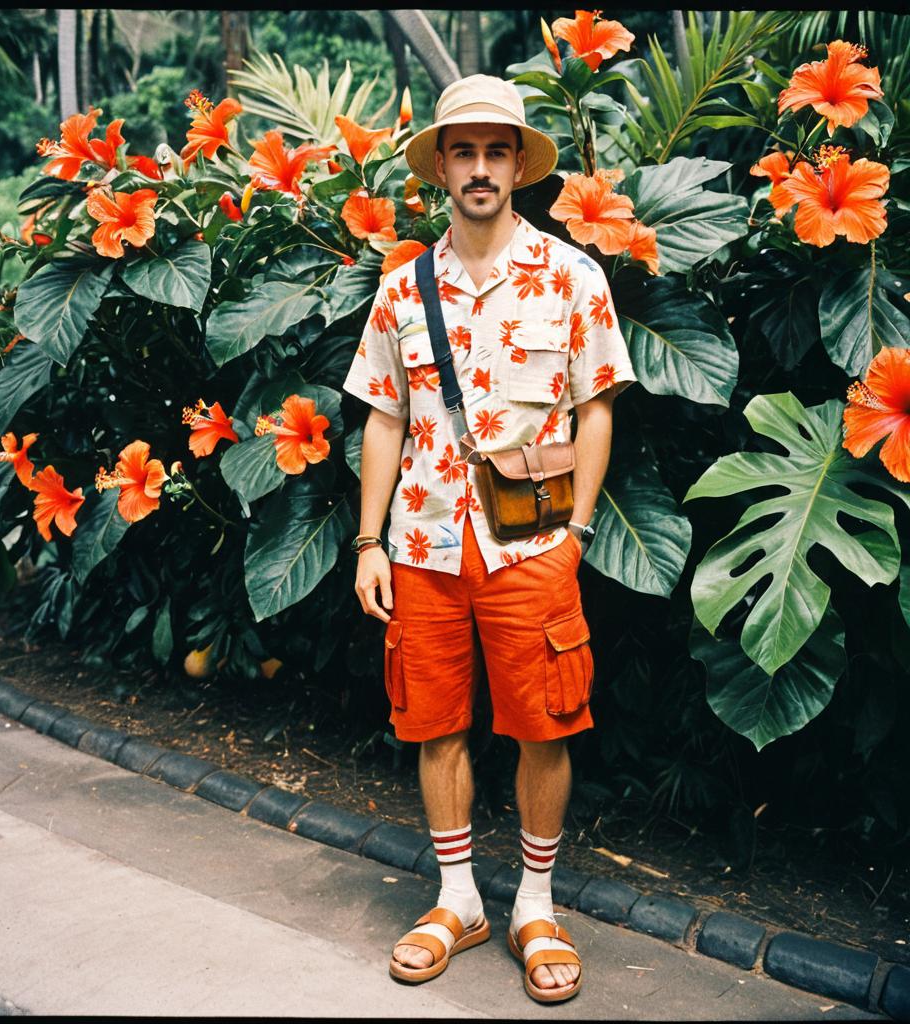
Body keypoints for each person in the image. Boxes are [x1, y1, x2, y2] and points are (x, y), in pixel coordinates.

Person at [342, 73, 637, 1005]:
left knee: (542, 728)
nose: (479, 168)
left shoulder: (572, 275)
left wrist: (579, 531)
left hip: (533, 548)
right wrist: (366, 543)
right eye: (462, 151)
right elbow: (383, 419)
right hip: (422, 546)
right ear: (440, 167)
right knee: (434, 724)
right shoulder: (400, 289)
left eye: (495, 150)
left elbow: (598, 408)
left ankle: (536, 906)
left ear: (519, 165)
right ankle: (461, 899)